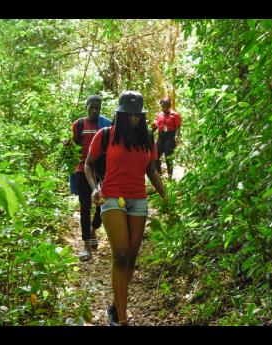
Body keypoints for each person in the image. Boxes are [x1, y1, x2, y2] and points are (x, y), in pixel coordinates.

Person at [84, 91, 167, 326]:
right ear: (119, 114)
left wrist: (165, 196)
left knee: (130, 258)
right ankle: (122, 320)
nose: (133, 119)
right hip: (111, 198)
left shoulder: (147, 136)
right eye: (128, 115)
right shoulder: (105, 135)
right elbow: (89, 166)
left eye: (137, 116)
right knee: (120, 255)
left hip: (138, 200)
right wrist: (93, 189)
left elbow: (151, 170)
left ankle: (115, 305)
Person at [68, 95, 112, 261]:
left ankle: (94, 228)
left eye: (97, 108)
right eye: (91, 108)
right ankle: (86, 246)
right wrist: (67, 144)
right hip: (82, 169)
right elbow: (73, 146)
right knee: (85, 207)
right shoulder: (79, 125)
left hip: (103, 169)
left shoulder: (106, 124)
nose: (94, 111)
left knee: (104, 202)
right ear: (86, 107)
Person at [151, 97, 182, 179]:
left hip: (170, 137)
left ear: (169, 106)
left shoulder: (175, 115)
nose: (163, 108)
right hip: (161, 137)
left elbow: (178, 127)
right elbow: (155, 126)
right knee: (155, 156)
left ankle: (170, 177)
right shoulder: (159, 115)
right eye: (162, 106)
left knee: (168, 157)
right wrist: (150, 132)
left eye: (165, 106)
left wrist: (176, 136)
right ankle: (159, 175)